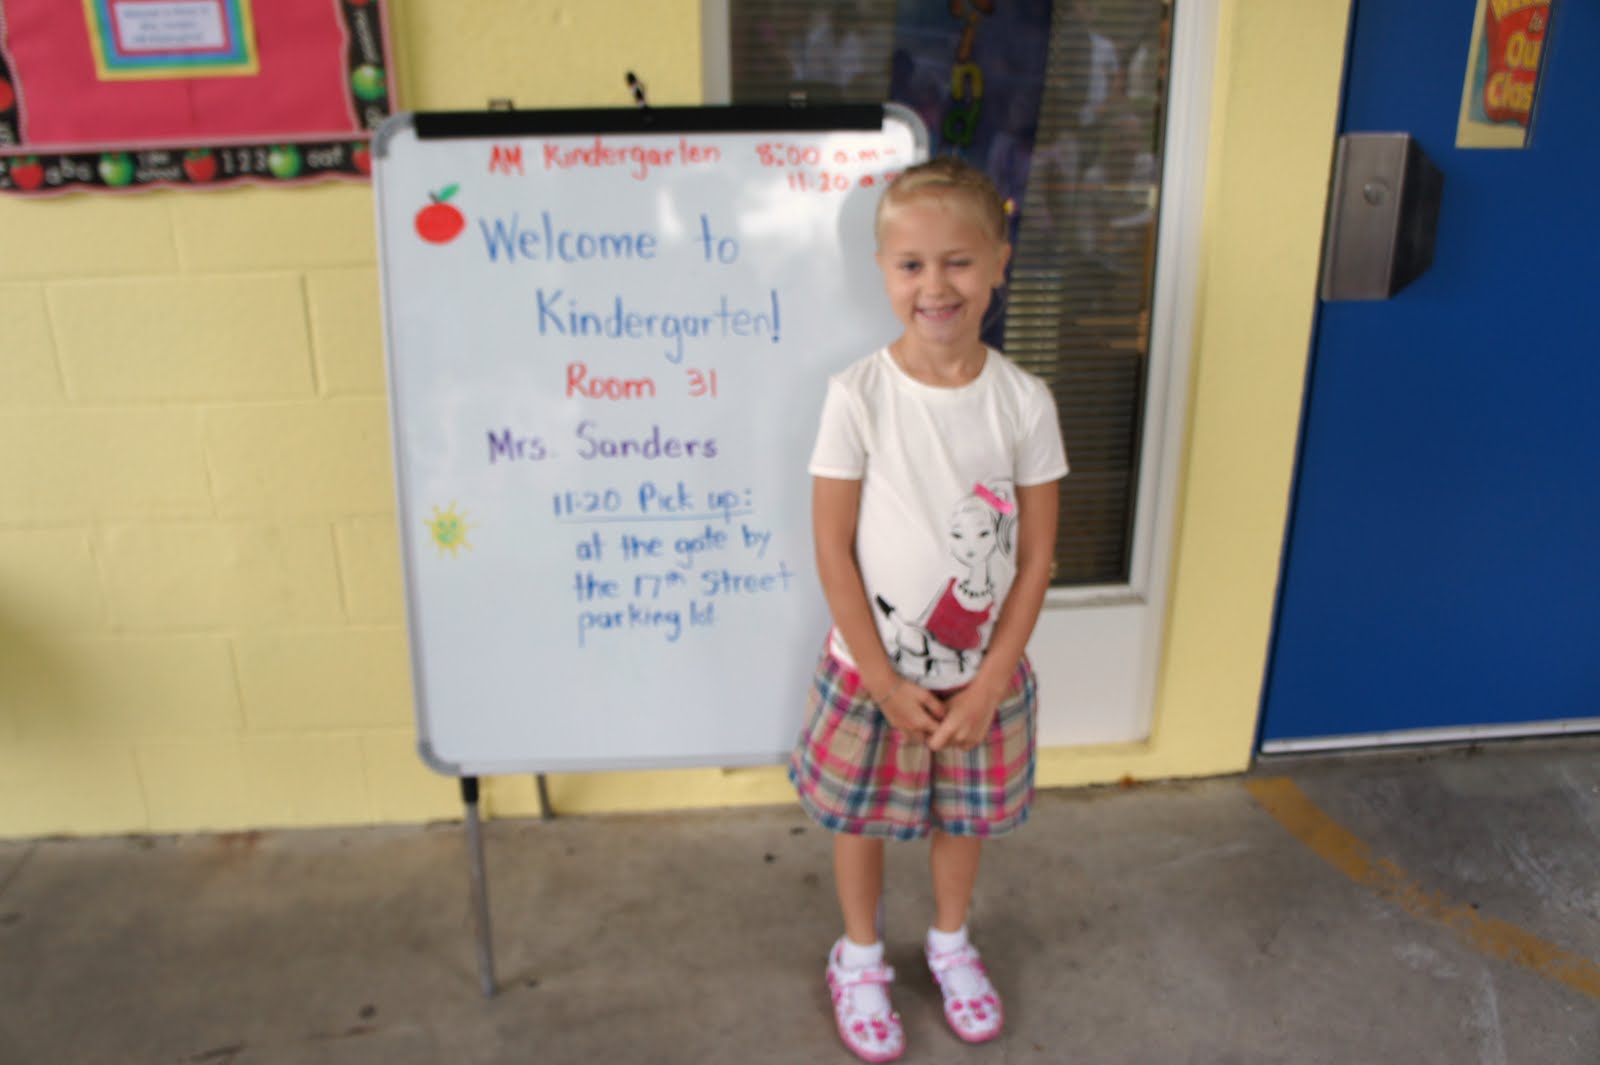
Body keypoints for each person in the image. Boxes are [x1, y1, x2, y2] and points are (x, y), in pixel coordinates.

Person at [789, 157, 1068, 1062]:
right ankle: (859, 956)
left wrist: (990, 682)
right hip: (871, 675)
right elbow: (833, 548)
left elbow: (1035, 558)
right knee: (862, 821)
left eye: (958, 261)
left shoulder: (1024, 402)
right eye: (911, 264)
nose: (935, 285)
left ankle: (950, 942)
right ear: (883, 270)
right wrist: (880, 678)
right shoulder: (856, 396)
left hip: (978, 682)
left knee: (962, 821)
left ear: (998, 264)